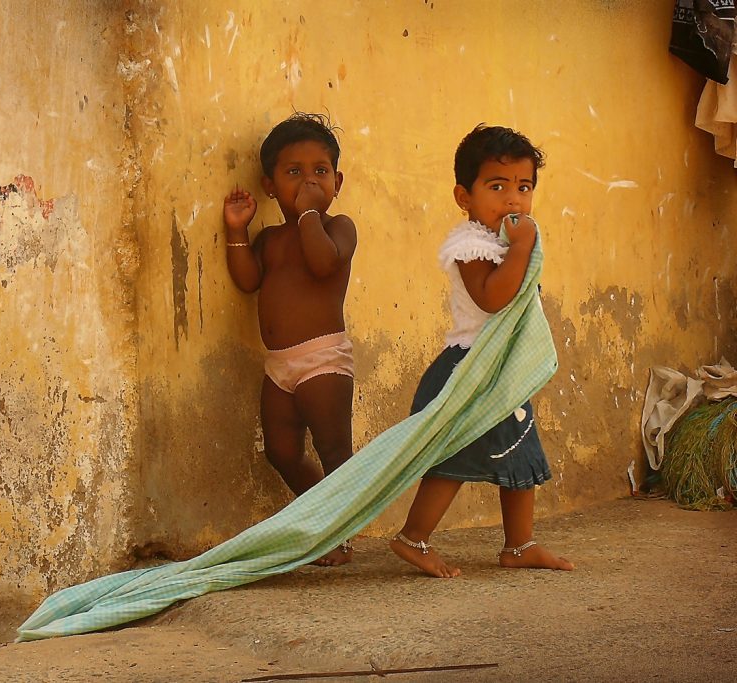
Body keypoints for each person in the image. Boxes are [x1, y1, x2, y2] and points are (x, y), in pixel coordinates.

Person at [389, 123, 574, 577]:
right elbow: (493, 297)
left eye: (524, 187)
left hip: (500, 372)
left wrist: (518, 247)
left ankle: (519, 545)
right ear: (463, 196)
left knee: (520, 451)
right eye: (497, 186)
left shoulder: (503, 243)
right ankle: (413, 537)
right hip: (469, 367)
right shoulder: (471, 246)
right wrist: (524, 247)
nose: (513, 199)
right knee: (454, 457)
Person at [222, 113, 357, 566]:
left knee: (335, 450)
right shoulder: (272, 238)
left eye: (320, 171)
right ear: (269, 185)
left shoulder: (339, 227)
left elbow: (322, 264)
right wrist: (238, 231)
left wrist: (310, 216)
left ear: (337, 181)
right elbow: (247, 281)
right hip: (278, 365)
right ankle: (323, 518)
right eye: (293, 172)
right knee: (281, 451)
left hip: (323, 360)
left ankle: (337, 533)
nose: (308, 181)